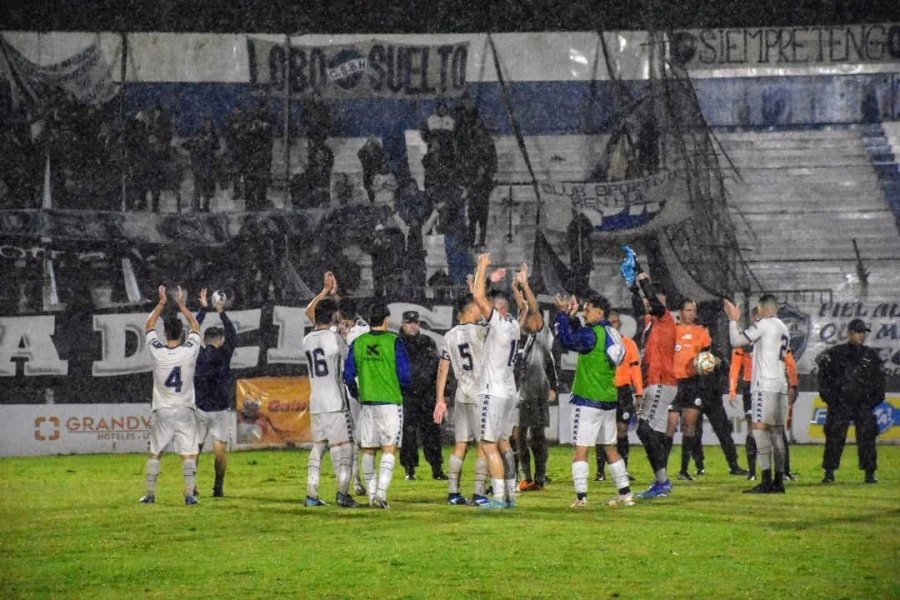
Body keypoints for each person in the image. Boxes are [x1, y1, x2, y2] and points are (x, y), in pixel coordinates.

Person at [471, 254, 541, 509]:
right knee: (503, 442)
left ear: (498, 308)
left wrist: (482, 267)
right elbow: (523, 309)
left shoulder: (500, 323)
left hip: (494, 391)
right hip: (509, 391)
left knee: (489, 444)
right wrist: (518, 285)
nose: (487, 306)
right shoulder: (513, 323)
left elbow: (479, 299)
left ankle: (500, 498)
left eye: (492, 305)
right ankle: (510, 491)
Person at [555, 293, 632, 508]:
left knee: (581, 448)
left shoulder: (593, 334)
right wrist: (571, 317)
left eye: (588, 310)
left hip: (588, 399)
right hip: (608, 398)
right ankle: (625, 493)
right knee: (610, 447)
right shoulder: (612, 333)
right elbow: (579, 334)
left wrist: (562, 314)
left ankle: (581, 498)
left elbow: (567, 340)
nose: (585, 313)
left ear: (600, 312)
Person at [343, 302, 411, 508]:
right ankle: (381, 494)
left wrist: (357, 393)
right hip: (390, 402)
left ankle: (372, 495)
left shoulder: (359, 342)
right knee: (390, 449)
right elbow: (406, 375)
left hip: (368, 403)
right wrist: (402, 389)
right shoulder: (394, 341)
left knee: (369, 450)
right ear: (386, 319)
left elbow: (347, 375)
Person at [140, 285, 202, 506]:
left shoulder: (157, 351)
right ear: (181, 333)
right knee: (187, 454)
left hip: (163, 410)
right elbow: (196, 326)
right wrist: (183, 307)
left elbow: (148, 325)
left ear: (165, 332)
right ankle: (189, 495)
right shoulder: (189, 351)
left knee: (156, 452)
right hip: (185, 409)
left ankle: (150, 494)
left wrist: (162, 303)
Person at [723, 294, 790, 494]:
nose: (757, 315)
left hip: (764, 385)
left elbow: (736, 341)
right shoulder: (783, 327)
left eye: (759, 310)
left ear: (764, 309)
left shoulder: (765, 324)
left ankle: (766, 480)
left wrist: (733, 320)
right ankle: (779, 480)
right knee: (777, 433)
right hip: (780, 385)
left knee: (759, 430)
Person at [302, 274, 359, 508]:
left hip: (316, 402)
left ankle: (312, 494)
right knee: (345, 448)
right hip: (335, 402)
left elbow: (310, 311)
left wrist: (324, 292)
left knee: (319, 447)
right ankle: (343, 494)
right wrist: (344, 337)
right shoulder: (335, 339)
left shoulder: (307, 340)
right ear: (334, 316)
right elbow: (349, 360)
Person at [434, 292, 490, 505]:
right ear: (471, 310)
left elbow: (443, 369)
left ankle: (453, 492)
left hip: (462, 393)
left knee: (461, 444)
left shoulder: (449, 336)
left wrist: (440, 398)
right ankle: (478, 493)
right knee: (484, 445)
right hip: (479, 392)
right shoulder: (481, 331)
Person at [816, 318, 885, 484]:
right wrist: (831, 399)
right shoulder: (836, 353)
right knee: (834, 438)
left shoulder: (870, 355)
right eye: (858, 332)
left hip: (863, 403)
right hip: (841, 403)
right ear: (849, 333)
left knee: (867, 438)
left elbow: (879, 380)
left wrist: (873, 400)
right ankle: (829, 472)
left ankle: (870, 472)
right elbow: (824, 377)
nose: (861, 335)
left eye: (863, 332)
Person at [627, 268, 676, 500]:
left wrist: (641, 273)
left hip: (661, 381)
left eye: (654, 299)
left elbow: (651, 301)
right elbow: (642, 301)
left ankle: (663, 481)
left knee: (645, 429)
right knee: (648, 431)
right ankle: (661, 481)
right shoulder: (650, 323)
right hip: (653, 382)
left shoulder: (665, 318)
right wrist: (631, 285)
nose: (650, 303)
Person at [193, 288, 237, 498]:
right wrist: (221, 312)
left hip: (200, 407)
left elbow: (193, 330)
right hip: (220, 408)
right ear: (219, 339)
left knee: (196, 447)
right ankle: (218, 486)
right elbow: (234, 336)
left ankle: (191, 484)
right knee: (220, 447)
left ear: (204, 339)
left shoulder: (197, 353)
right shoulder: (224, 354)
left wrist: (202, 310)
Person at [398, 310, 446, 481]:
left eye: (415, 322)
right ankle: (409, 470)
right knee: (408, 435)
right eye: (409, 322)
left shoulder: (427, 341)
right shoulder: (397, 343)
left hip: (427, 396)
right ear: (403, 324)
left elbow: (437, 368)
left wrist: (439, 394)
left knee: (432, 433)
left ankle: (437, 468)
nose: (413, 325)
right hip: (407, 396)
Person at [668, 299, 713, 481]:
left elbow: (708, 357)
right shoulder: (672, 331)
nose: (691, 313)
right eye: (688, 310)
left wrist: (707, 364)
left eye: (693, 310)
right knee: (670, 426)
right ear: (681, 312)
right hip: (673, 383)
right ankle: (661, 469)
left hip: (693, 383)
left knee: (690, 426)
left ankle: (684, 469)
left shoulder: (701, 332)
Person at [596, 308, 642, 482]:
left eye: (616, 322)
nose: (613, 325)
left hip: (623, 392)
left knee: (622, 430)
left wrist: (639, 393)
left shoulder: (629, 344)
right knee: (604, 432)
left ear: (620, 324)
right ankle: (600, 472)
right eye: (610, 322)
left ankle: (623, 470)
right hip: (605, 390)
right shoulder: (600, 344)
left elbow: (635, 370)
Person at [514, 321, 558, 492]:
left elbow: (551, 363)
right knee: (519, 437)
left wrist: (554, 387)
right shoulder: (522, 339)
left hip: (537, 394)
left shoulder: (542, 336)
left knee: (537, 437)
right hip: (521, 395)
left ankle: (539, 479)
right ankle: (526, 477)